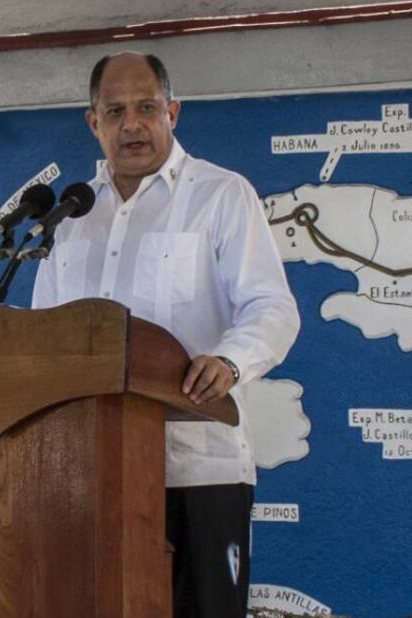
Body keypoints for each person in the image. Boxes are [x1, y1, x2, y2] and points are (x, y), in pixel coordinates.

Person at [32, 52, 300, 616]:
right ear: (94, 122)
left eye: (147, 107)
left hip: (197, 469)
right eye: (116, 110)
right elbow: (43, 337)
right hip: (88, 474)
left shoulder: (221, 196)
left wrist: (228, 361)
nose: (132, 124)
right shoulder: (72, 214)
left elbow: (272, 307)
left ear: (173, 113)